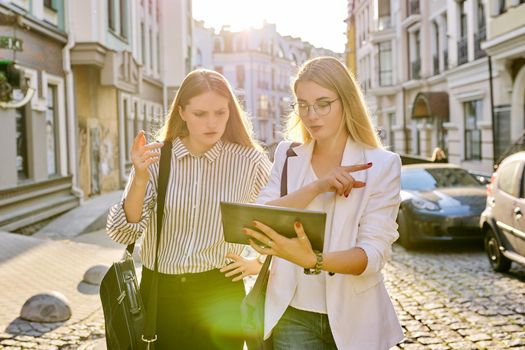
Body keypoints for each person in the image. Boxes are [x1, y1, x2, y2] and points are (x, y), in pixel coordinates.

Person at [244, 57, 404, 349]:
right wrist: (316, 187)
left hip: (357, 317)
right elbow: (260, 220)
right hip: (292, 314)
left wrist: (313, 261)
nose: (311, 114)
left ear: (346, 101)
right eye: (302, 104)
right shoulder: (287, 155)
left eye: (322, 103)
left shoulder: (382, 165)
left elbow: (374, 253)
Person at [106, 69, 271, 349]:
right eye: (200, 114)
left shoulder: (249, 161)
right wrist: (140, 178)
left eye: (220, 112)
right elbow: (121, 233)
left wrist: (258, 263)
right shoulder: (156, 159)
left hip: (220, 293)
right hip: (161, 294)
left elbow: (283, 218)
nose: (212, 123)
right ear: (181, 111)